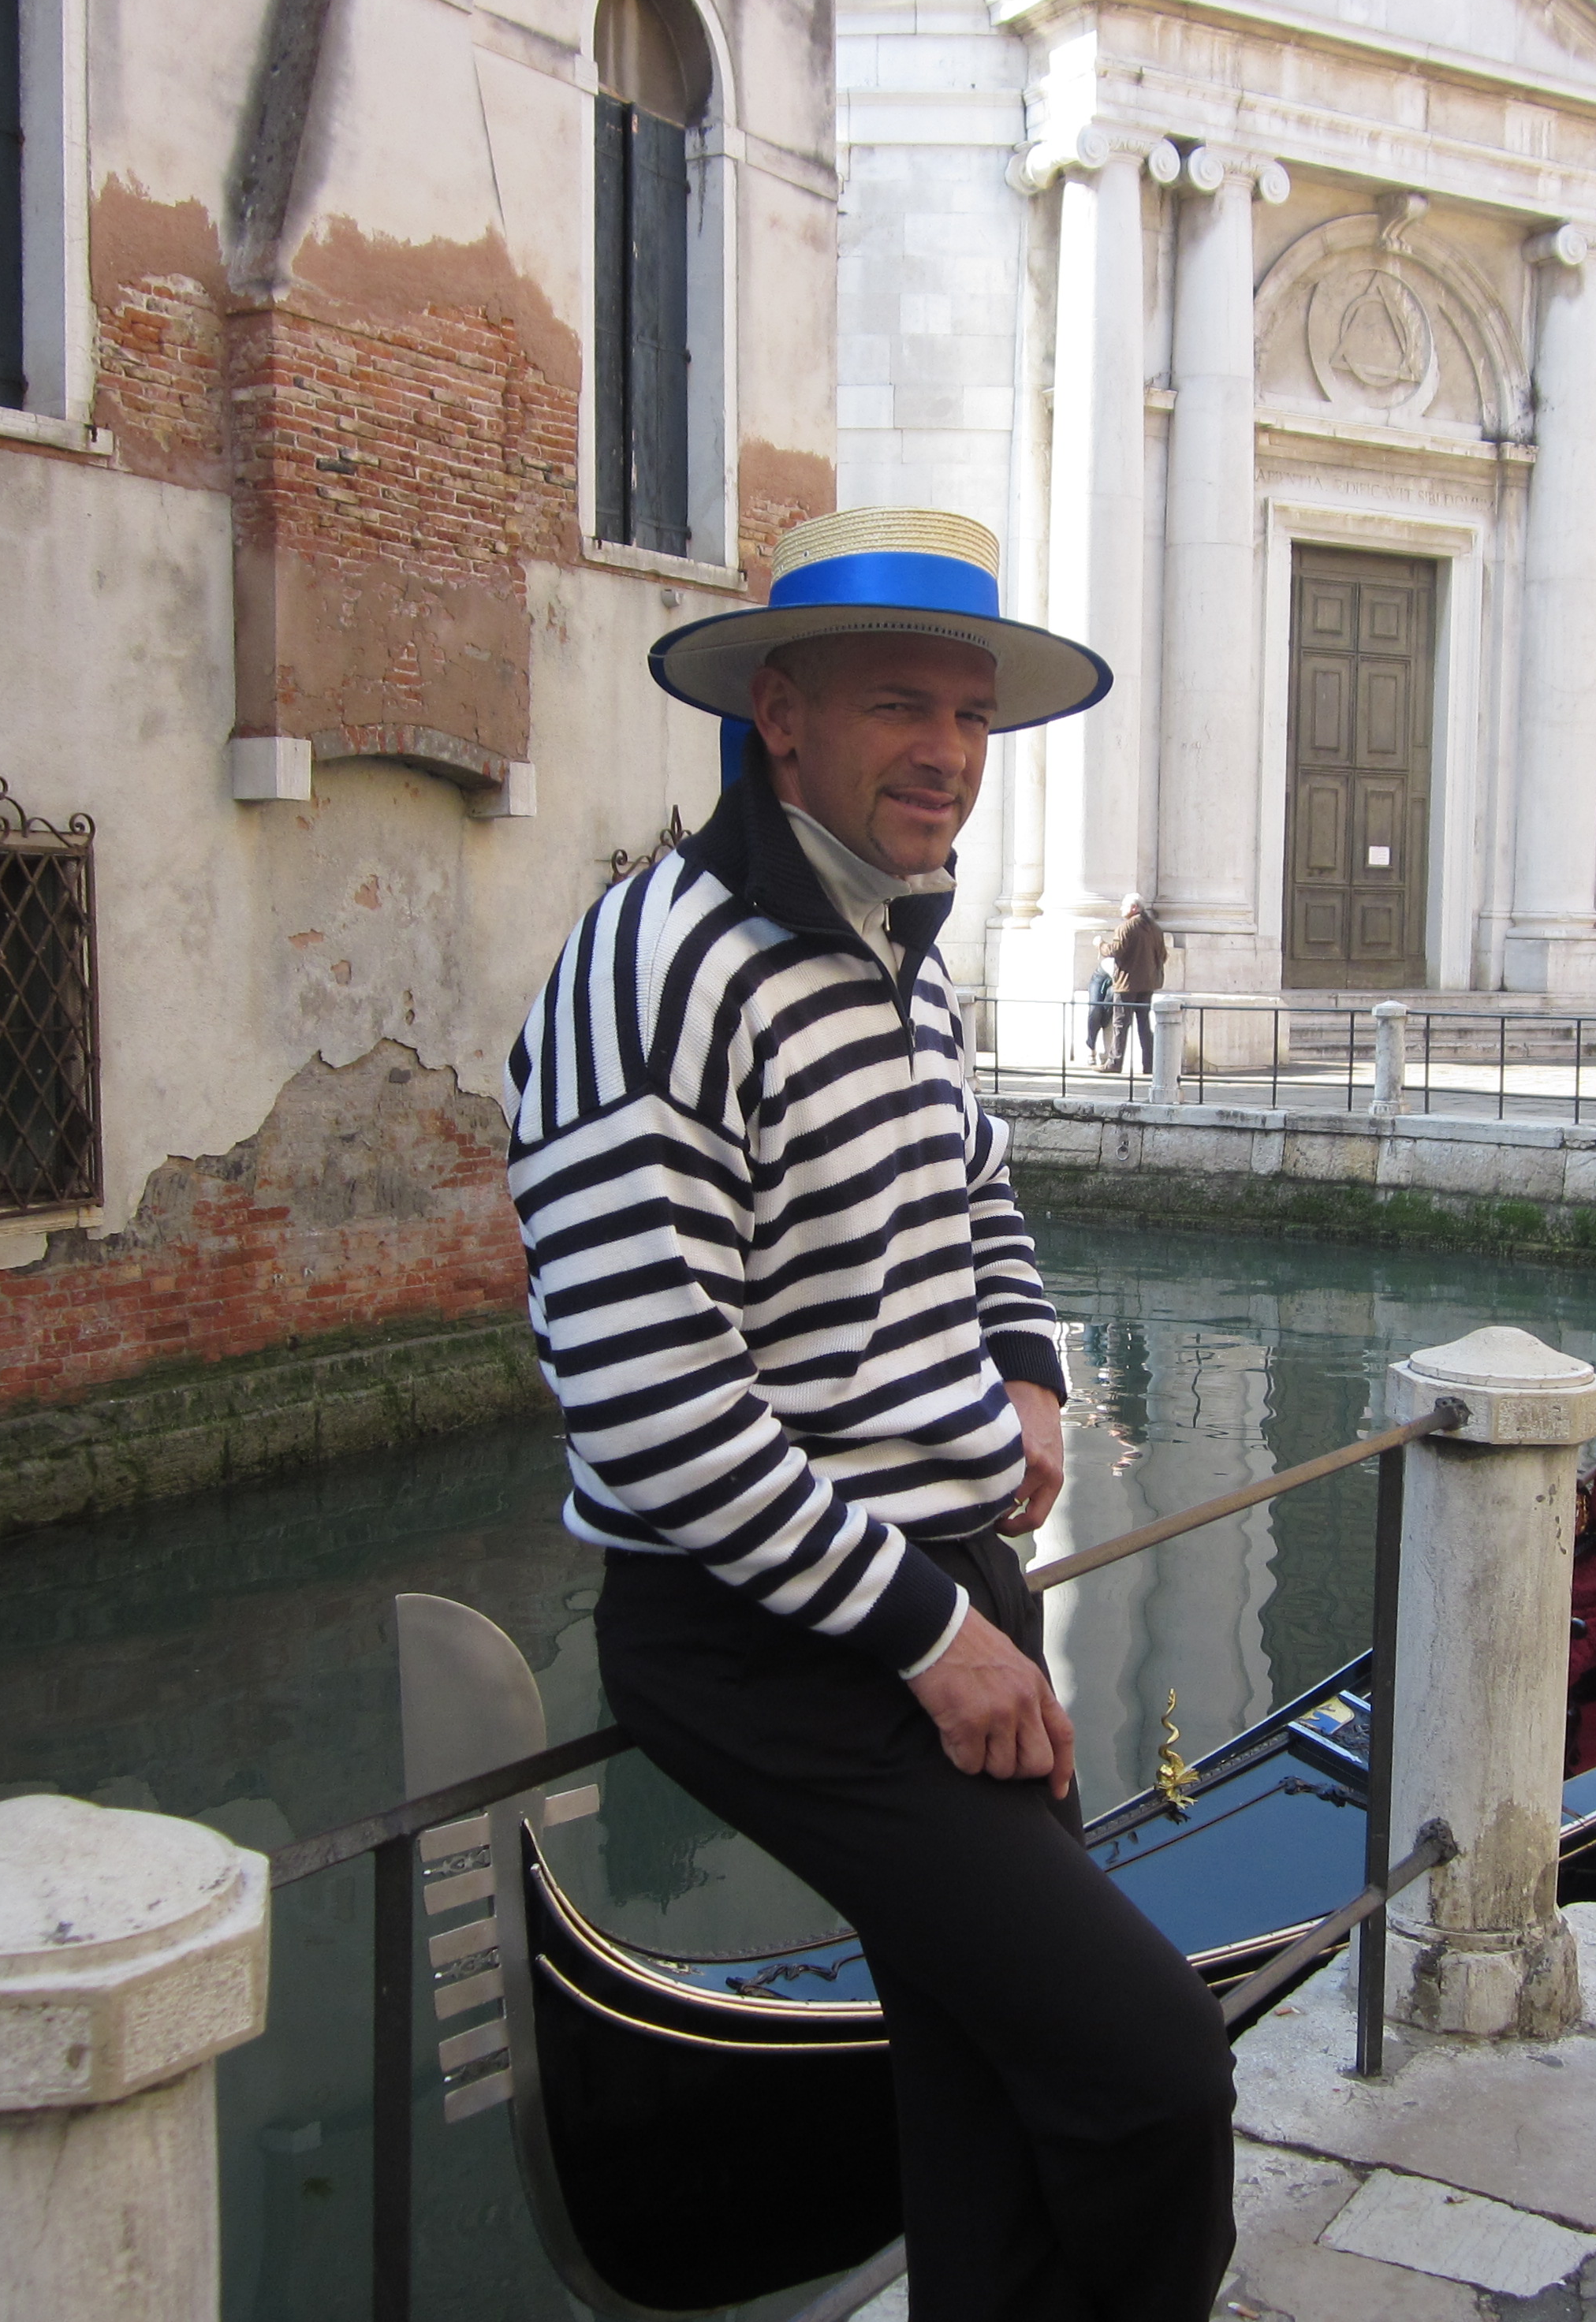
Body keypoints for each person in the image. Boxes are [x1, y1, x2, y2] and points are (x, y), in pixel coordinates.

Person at [505, 506, 1236, 2322]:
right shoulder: (655, 966)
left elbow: (976, 1189)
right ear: (781, 717)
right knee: (1151, 2066)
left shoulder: (892, 951)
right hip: (775, 1632)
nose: (947, 756)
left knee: (991, 2080)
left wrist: (1032, 1370)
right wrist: (934, 1640)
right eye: (900, 705)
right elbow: (651, 1403)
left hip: (949, 1593)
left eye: (973, 715)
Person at [1109, 893, 1168, 1073]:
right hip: (1148, 983)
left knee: (1120, 1023)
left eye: (1124, 906)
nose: (1121, 909)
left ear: (1134, 908)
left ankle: (1115, 1062)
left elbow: (1116, 951)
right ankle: (1149, 1065)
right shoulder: (1156, 929)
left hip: (1126, 984)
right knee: (1144, 1025)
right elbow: (1163, 956)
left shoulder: (1125, 928)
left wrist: (1101, 946)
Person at [1083, 947, 1121, 1069]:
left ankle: (1105, 1051)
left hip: (1118, 981)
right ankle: (1091, 1046)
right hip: (1102, 975)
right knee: (1095, 1009)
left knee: (1107, 1012)